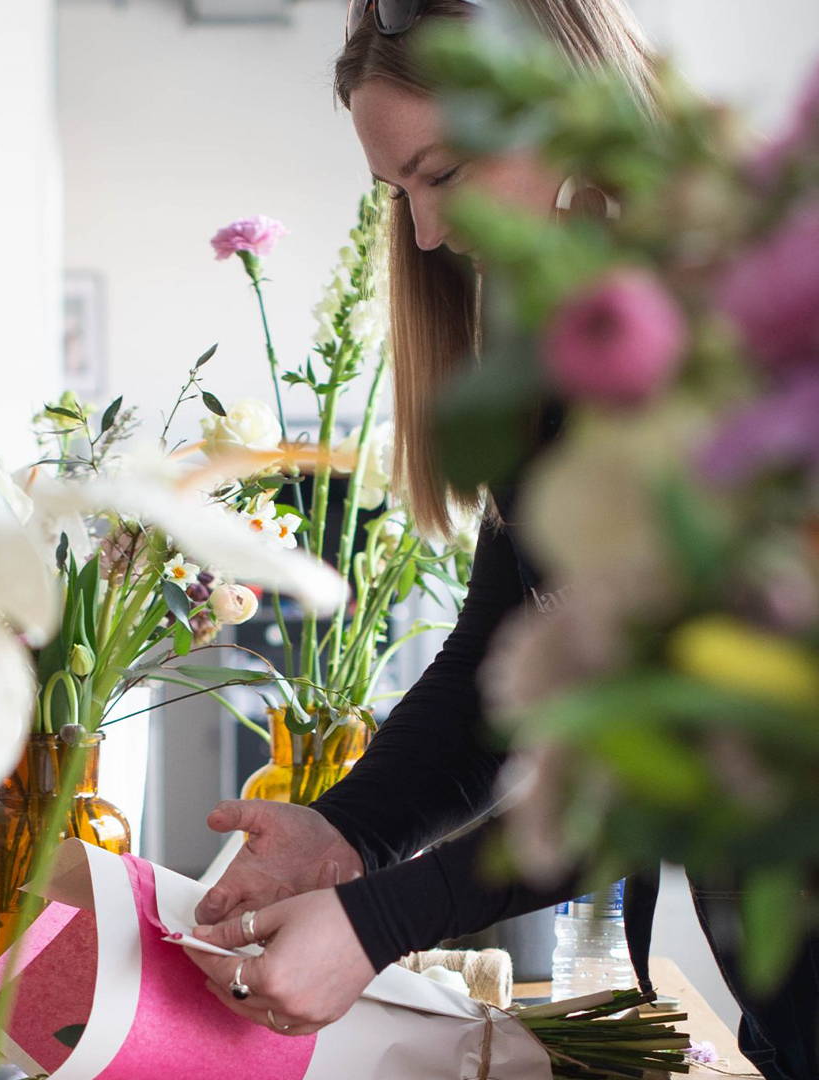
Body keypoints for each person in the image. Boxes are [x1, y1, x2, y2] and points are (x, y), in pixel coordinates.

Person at [183, 3, 819, 1078]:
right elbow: (493, 659)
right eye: (400, 195)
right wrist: (346, 835)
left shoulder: (742, 326)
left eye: (442, 174)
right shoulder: (574, 357)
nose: (427, 234)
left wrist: (383, 920)